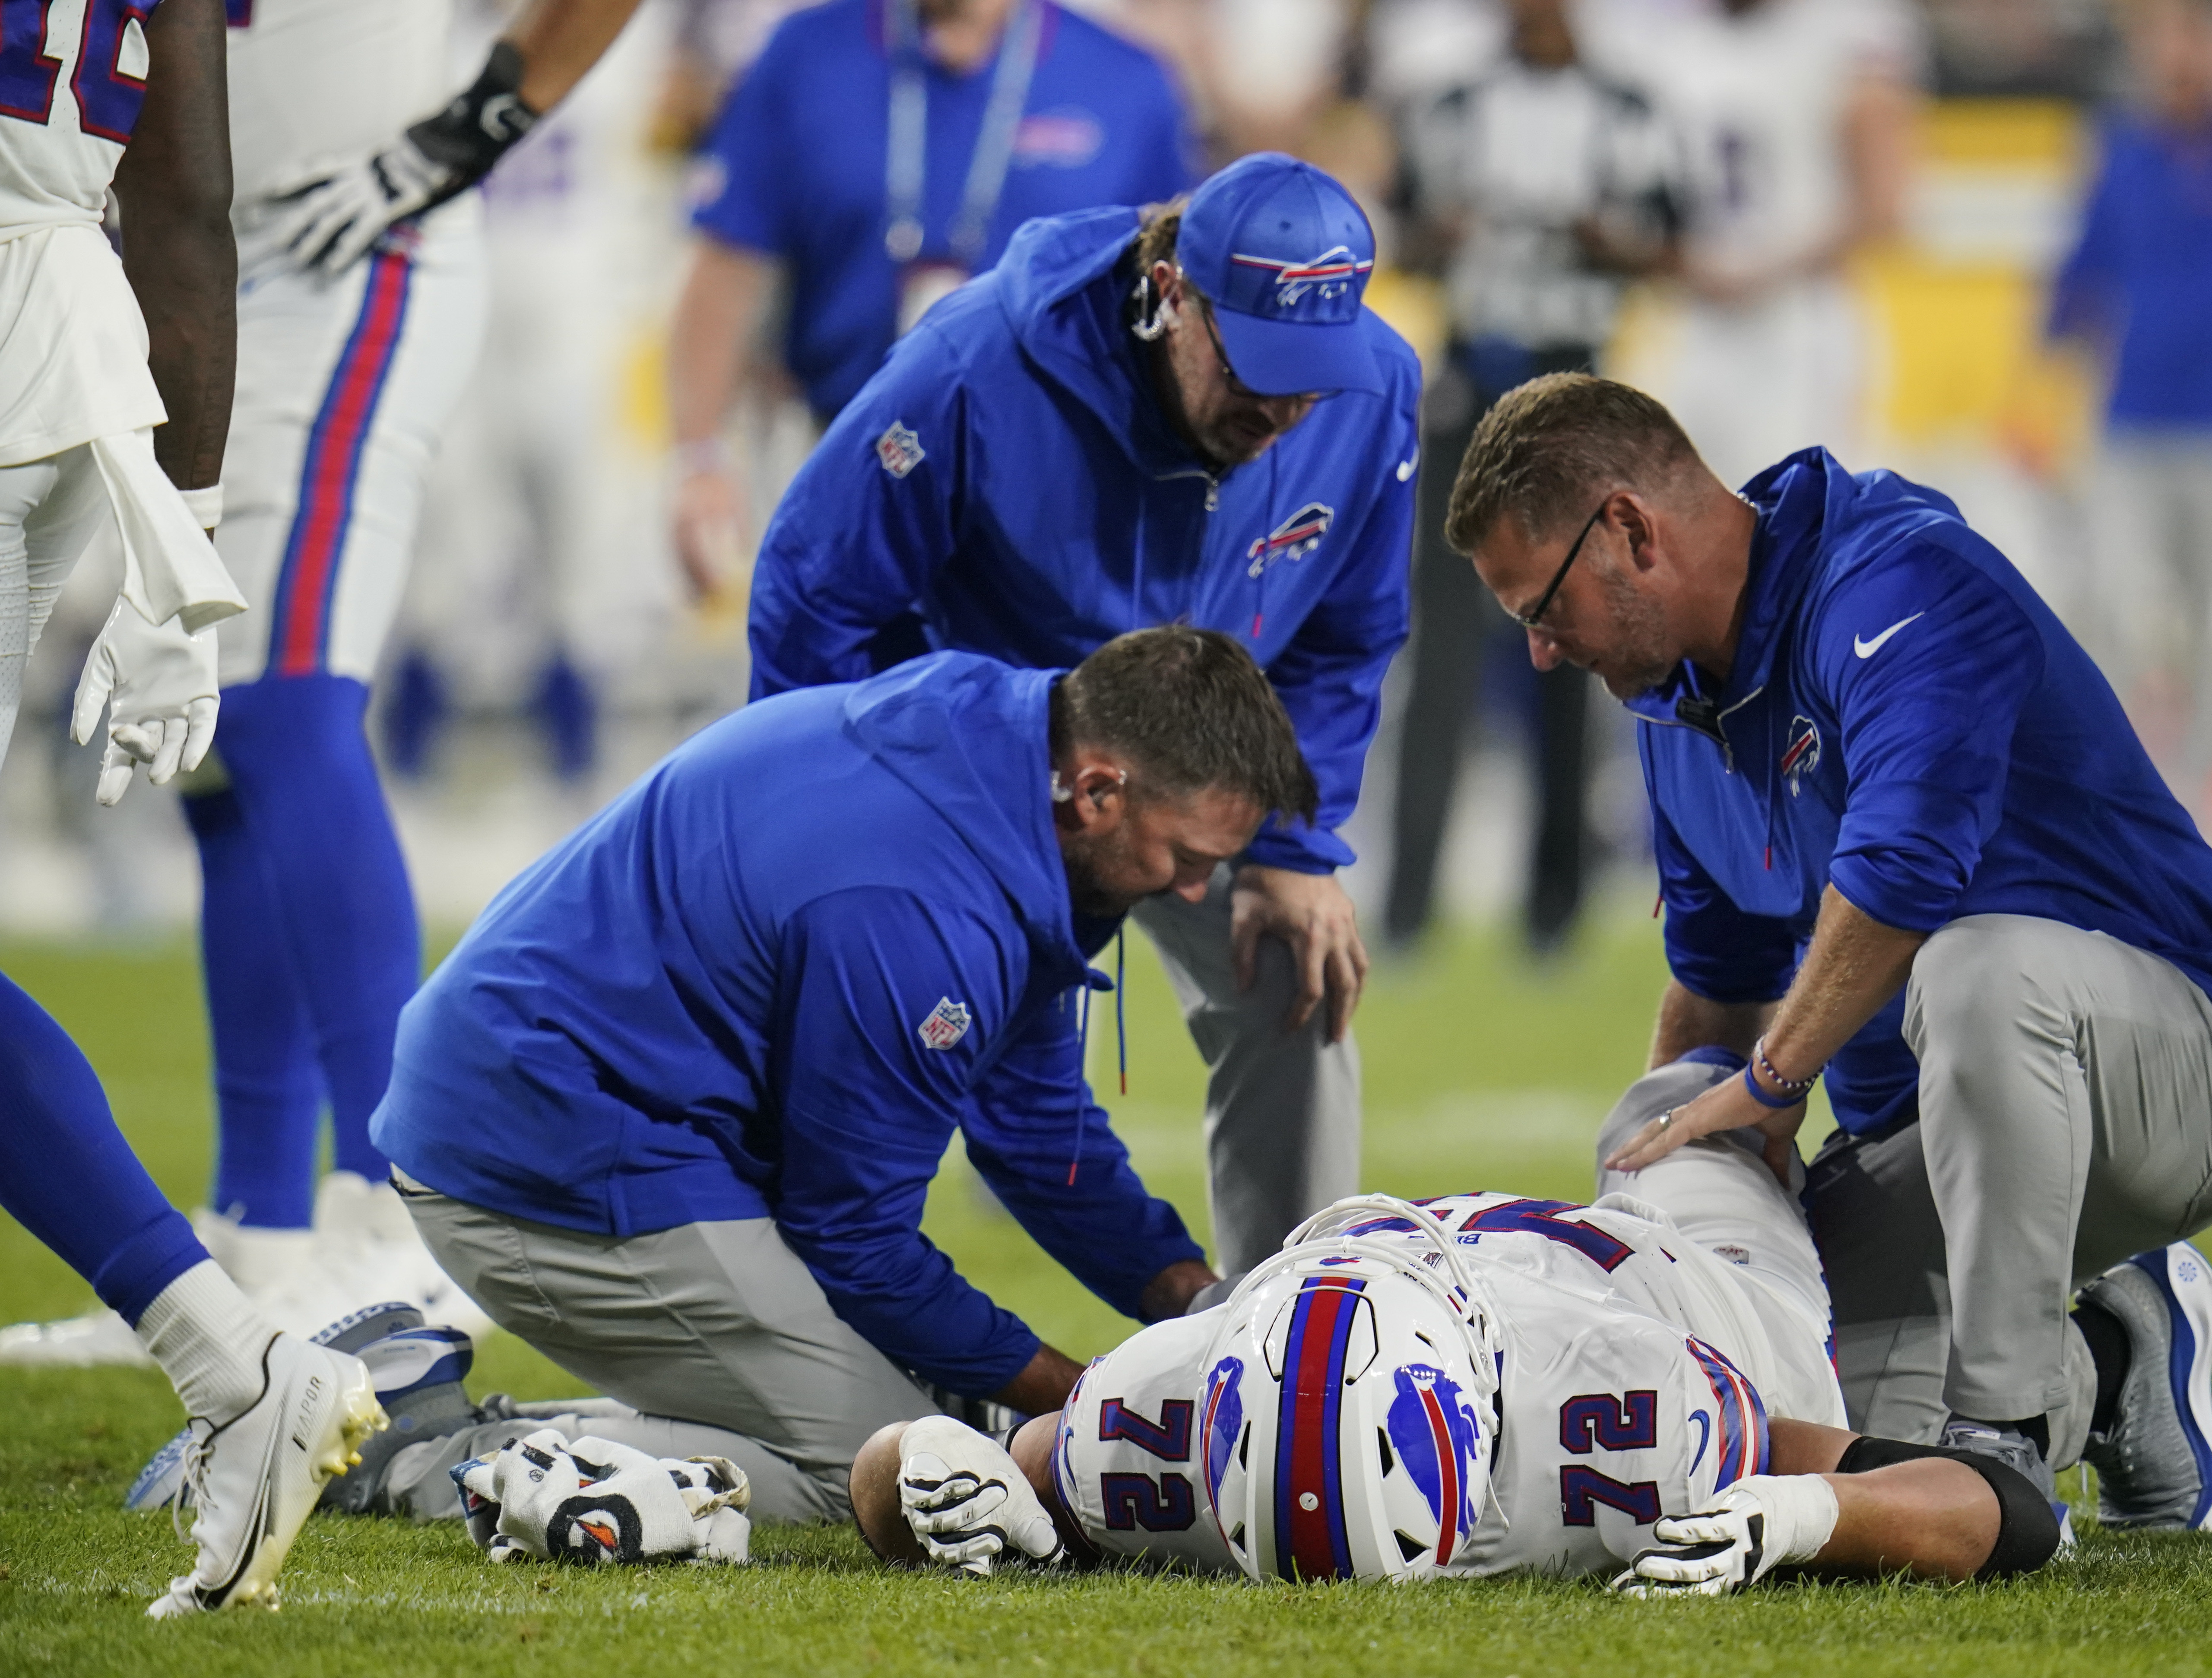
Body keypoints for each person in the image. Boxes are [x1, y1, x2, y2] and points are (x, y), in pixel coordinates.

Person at [1442, 373, 2212, 1524]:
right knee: (1812, 1430)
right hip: (1924, 1135)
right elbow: (1715, 988)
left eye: (1539, 609)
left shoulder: (1903, 580)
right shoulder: (1672, 712)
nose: (1544, 654)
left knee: (1982, 972)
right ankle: (2109, 1362)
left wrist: (1768, 1087)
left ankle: (2001, 1432)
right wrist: (1666, 1176)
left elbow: (1908, 877)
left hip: (2173, 1079)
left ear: (1628, 530)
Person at [0, 0, 672, 1371]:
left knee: (283, 707)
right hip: (191, 260)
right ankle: (258, 1230)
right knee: (203, 737)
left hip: (345, 244)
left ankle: (399, 1211)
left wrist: (464, 130)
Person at [328, 628, 1308, 1527]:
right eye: (1187, 856)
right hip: (544, 1157)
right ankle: (414, 1454)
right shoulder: (919, 908)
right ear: (1097, 790)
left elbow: (1035, 1129)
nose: (1192, 891)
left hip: (596, 1107)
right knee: (897, 1470)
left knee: (935, 1411)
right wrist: (1097, 1407)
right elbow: (858, 1243)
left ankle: (426, 1403)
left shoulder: (1000, 753)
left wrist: (1200, 1301)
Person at [746, 152, 1420, 1280]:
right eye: (1260, 363)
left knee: (1299, 973)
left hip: (1211, 770)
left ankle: (1295, 1340)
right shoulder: (972, 370)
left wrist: (1296, 847)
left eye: (1315, 373)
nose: (1286, 408)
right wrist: (829, 836)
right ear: (1170, 298)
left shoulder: (1372, 392)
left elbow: (1351, 634)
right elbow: (815, 590)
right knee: (917, 1074)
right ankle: (816, 1323)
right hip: (1002, 786)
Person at [0, 0, 387, 1615]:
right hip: (62, 319)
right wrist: (196, 517)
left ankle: (232, 1357)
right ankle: (231, 1353)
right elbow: (182, 181)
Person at [847, 1160, 2071, 1588]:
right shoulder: (1146, 1422)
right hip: (1466, 1269)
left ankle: (2104, 1337)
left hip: (1685, 1286)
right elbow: (904, 1489)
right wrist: (918, 1468)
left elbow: (2008, 1514)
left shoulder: (1634, 1415)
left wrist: (1808, 1511)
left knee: (1693, 1107)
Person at [667, 0, 1201, 595]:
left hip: (1054, 489)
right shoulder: (807, 54)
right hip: (843, 461)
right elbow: (727, 265)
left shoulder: (1125, 80)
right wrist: (699, 460)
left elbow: (1178, 300)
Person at [1380, 0, 1682, 956]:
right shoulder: (1454, 105)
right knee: (1444, 654)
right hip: (1471, 389)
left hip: (1575, 390)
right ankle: (1409, 903)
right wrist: (1450, 232)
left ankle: (1557, 902)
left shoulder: (1629, 108)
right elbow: (1404, 230)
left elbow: (1672, 242)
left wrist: (1602, 239)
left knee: (1580, 641)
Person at [2044, 0, 2212, 829]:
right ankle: (2126, 780)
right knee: (2118, 603)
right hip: (2136, 415)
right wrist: (2039, 374)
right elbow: (2083, 268)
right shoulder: (2120, 150)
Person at [1602, 0, 1917, 491]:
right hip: (1692, 324)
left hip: (1800, 323)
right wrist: (1674, 261)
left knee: (1802, 517)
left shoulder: (1841, 38)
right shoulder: (1672, 46)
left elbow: (1885, 207)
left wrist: (1758, 272)